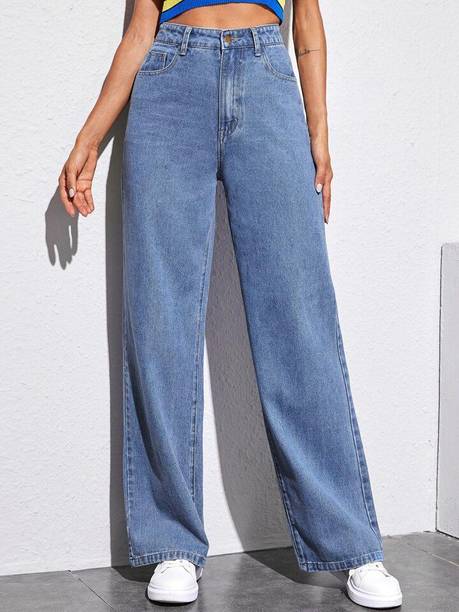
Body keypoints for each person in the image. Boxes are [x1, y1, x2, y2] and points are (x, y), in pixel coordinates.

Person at [59, 0, 403, 608]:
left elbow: (307, 25)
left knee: (299, 318)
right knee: (160, 316)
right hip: (169, 80)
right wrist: (89, 139)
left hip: (268, 78)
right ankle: (171, 543)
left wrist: (318, 131)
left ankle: (351, 544)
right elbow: (140, 31)